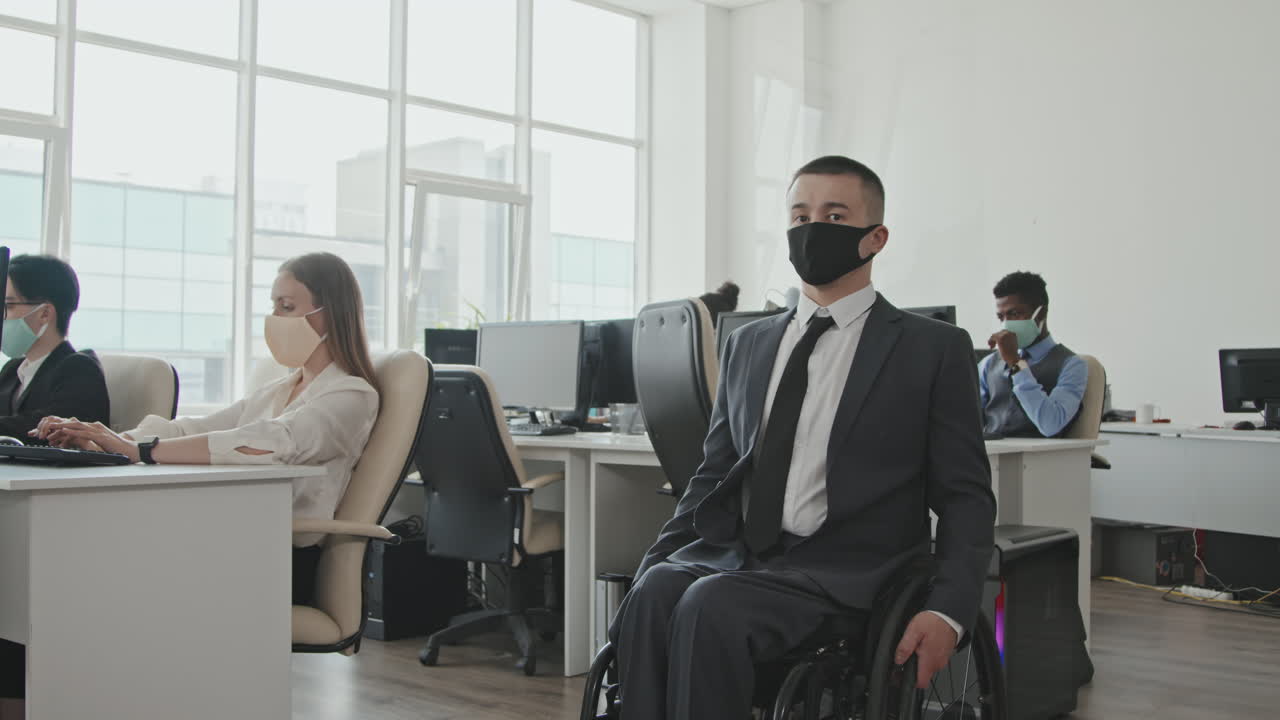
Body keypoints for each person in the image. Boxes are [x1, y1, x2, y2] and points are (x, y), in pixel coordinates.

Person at [609, 156, 995, 720]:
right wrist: (657, 558)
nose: (812, 228)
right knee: (656, 591)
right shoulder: (747, 346)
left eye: (835, 216)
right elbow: (714, 474)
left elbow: (966, 495)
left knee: (709, 605)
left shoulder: (932, 349)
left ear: (875, 238)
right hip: (744, 558)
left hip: (852, 573)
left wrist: (950, 611)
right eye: (800, 215)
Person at [36, 252, 381, 605]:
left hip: (279, 558)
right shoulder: (279, 388)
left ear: (329, 314)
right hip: (235, 545)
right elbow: (195, 428)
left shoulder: (351, 394)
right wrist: (108, 441)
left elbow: (274, 443)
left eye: (286, 307)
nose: (274, 319)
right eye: (273, 306)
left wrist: (140, 452)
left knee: (125, 568)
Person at [0, 255, 109, 715]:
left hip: (60, 531)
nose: (3, 317)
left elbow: (38, 431)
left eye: (8, 306)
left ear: (43, 313)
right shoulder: (12, 373)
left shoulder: (77, 369)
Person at [981, 271, 1087, 438]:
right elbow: (967, 418)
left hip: (1037, 460)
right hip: (990, 457)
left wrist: (1016, 363)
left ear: (1041, 313)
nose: (1006, 324)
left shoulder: (1072, 365)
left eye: (1014, 314)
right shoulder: (988, 364)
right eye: (1001, 317)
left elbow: (1050, 424)